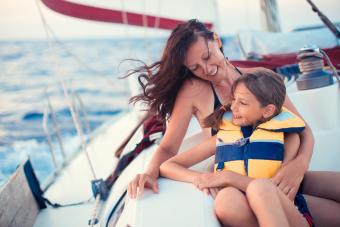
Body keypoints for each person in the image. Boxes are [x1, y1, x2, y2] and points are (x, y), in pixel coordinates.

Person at [127, 19, 340, 226]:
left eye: (207, 57)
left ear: (217, 40)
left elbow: (303, 131)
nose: (207, 69)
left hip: (281, 174)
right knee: (232, 204)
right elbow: (168, 147)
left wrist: (299, 165)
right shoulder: (194, 91)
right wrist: (149, 173)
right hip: (242, 187)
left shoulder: (261, 79)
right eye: (196, 67)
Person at [160, 70, 313, 227]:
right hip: (245, 208)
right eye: (234, 100)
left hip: (289, 215)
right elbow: (167, 166)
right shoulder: (224, 137)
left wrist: (228, 177)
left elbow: (276, 190)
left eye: (243, 103)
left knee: (259, 188)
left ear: (267, 111)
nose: (233, 107)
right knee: (228, 199)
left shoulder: (288, 139)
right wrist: (201, 178)